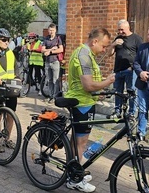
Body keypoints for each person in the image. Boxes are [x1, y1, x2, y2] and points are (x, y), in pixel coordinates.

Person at [64, 28, 115, 192]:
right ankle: (74, 179)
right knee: (81, 143)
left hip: (85, 100)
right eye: (104, 46)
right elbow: (88, 85)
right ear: (95, 42)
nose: (104, 50)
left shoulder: (87, 54)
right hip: (82, 103)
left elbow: (90, 85)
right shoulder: (84, 56)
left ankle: (73, 171)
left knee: (77, 141)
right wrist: (107, 82)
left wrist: (97, 92)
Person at [107, 20, 143, 118]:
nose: (120, 32)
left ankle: (131, 113)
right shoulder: (118, 38)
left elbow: (142, 54)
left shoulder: (136, 38)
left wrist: (134, 67)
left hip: (130, 70)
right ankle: (117, 111)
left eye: (122, 29)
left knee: (131, 91)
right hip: (118, 70)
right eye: (119, 30)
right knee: (117, 91)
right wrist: (113, 44)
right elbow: (109, 53)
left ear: (128, 28)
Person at [41, 23, 64, 102]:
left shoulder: (58, 38)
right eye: (50, 30)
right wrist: (52, 49)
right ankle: (50, 96)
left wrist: (50, 52)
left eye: (53, 30)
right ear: (48, 30)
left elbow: (61, 49)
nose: (51, 32)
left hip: (55, 61)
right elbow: (42, 50)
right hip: (47, 62)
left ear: (55, 30)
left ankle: (55, 97)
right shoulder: (46, 39)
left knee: (55, 80)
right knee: (49, 80)